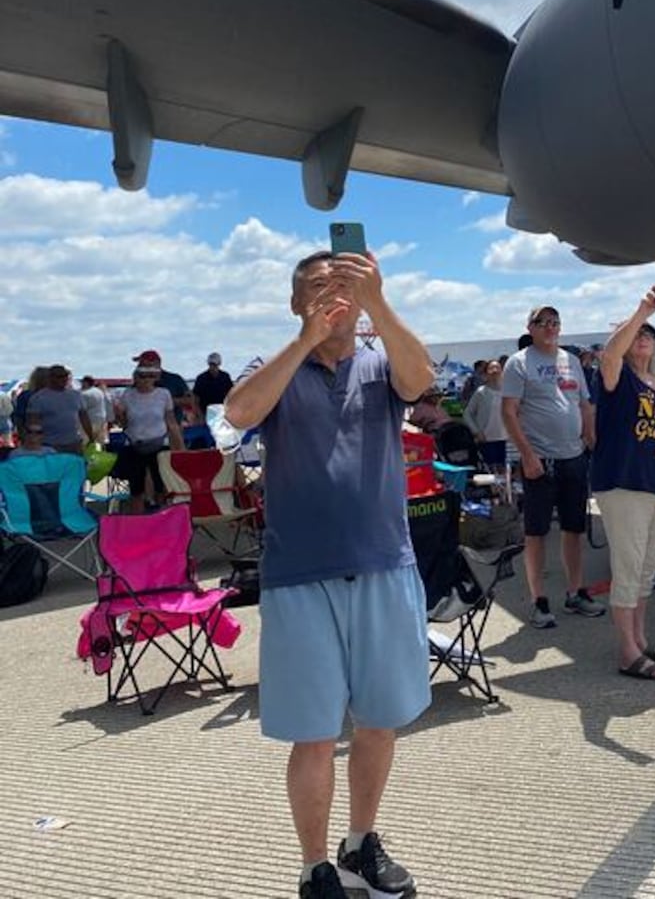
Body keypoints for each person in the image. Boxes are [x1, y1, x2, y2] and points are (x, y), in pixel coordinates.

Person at [223, 249, 434, 899]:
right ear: (295, 302)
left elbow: (419, 381)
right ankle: (316, 866)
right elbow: (237, 413)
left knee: (379, 720)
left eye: (344, 283)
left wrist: (378, 305)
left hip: (382, 564)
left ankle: (361, 842)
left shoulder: (379, 361)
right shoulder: (276, 368)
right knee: (313, 733)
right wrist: (305, 339)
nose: (332, 293)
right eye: (317, 286)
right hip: (298, 575)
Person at [590, 288, 655, 679]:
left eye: (649, 331)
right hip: (625, 482)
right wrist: (643, 308)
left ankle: (640, 639)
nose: (643, 335)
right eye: (636, 331)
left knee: (646, 570)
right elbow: (610, 355)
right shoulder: (618, 377)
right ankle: (627, 652)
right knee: (628, 569)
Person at [501, 305, 604, 629]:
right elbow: (508, 412)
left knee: (574, 530)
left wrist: (590, 431)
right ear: (530, 327)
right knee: (537, 533)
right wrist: (527, 455)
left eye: (555, 322)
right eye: (542, 322)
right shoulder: (519, 363)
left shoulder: (571, 361)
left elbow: (585, 403)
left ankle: (575, 592)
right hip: (540, 461)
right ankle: (539, 600)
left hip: (573, 457)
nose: (550, 327)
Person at [114, 364, 185, 513]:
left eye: (150, 376)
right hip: (135, 445)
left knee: (162, 486)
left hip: (159, 444)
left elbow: (171, 422)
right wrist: (119, 415)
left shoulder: (163, 394)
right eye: (142, 376)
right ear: (135, 377)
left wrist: (180, 448)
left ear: (156, 377)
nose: (146, 380)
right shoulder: (127, 395)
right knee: (136, 489)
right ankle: (138, 524)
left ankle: (161, 520)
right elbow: (123, 423)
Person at [25, 364, 94, 455]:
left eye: (66, 376)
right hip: (49, 445)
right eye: (59, 376)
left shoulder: (76, 395)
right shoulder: (38, 398)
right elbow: (33, 423)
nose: (64, 379)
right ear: (50, 378)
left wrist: (91, 436)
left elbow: (84, 417)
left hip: (74, 443)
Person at [462, 359, 508, 466]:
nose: (495, 371)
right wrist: (476, 431)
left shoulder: (508, 391)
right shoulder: (481, 392)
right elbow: (468, 413)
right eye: (491, 368)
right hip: (487, 438)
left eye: (497, 368)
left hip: (506, 438)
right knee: (491, 469)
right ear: (486, 373)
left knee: (506, 469)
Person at [133, 350, 193, 424]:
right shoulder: (139, 381)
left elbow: (190, 400)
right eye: (140, 364)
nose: (140, 366)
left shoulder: (174, 379)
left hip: (172, 426)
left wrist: (165, 401)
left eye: (144, 363)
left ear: (157, 363)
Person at [192, 352, 234, 419]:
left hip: (222, 413)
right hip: (206, 413)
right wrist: (200, 415)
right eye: (211, 364)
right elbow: (195, 399)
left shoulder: (225, 377)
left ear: (219, 364)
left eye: (214, 364)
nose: (212, 367)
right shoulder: (201, 378)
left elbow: (231, 395)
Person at [80, 375, 110, 443]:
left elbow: (81, 410)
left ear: (86, 382)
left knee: (87, 442)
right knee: (100, 442)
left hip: (89, 421)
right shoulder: (99, 392)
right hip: (101, 420)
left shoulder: (84, 394)